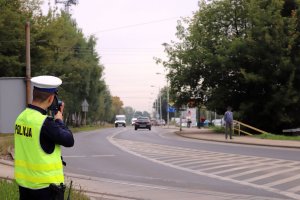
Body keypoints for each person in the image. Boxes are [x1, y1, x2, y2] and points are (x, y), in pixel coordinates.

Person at [14, 75, 74, 200]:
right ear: (51, 98)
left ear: (34, 94)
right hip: (46, 189)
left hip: (25, 186)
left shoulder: (21, 117)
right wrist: (59, 120)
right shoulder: (45, 124)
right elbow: (69, 140)